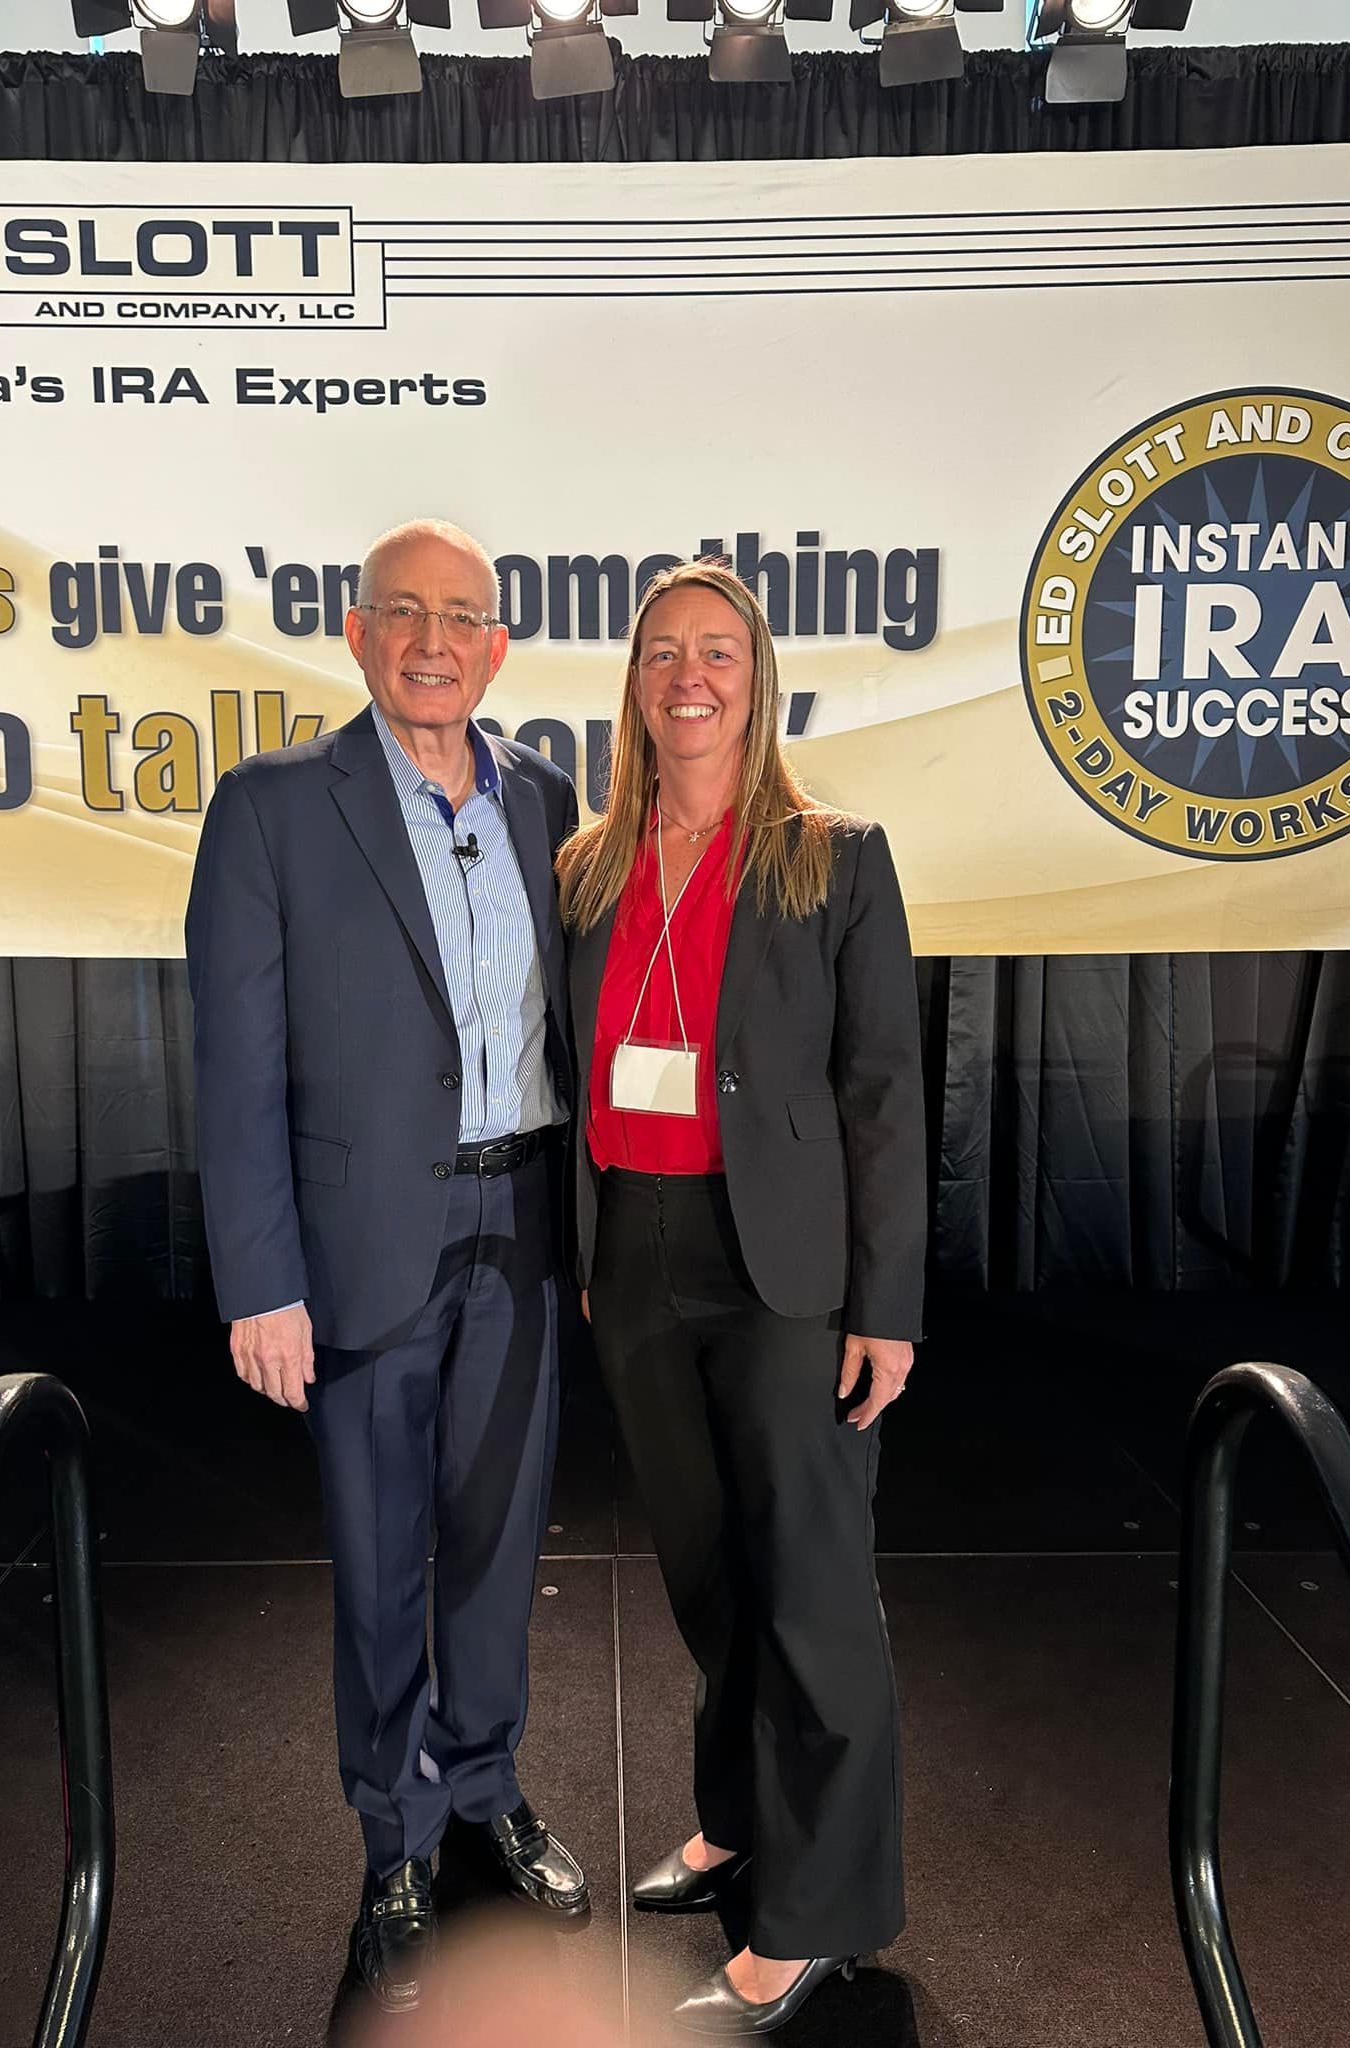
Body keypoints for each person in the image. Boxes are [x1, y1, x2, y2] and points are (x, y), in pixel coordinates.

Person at [186, 518, 589, 2018]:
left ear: (498, 649)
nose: (433, 640)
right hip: (359, 1248)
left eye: (463, 617)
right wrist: (256, 1279)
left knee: (497, 1539)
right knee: (378, 1559)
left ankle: (484, 1789)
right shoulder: (275, 807)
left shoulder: (548, 798)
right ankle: (394, 1840)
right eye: (403, 613)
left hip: (527, 1224)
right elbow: (236, 1067)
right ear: (355, 634)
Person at [557, 560, 927, 2036]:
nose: (687, 675)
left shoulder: (833, 854)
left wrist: (884, 1304)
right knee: (709, 1572)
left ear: (756, 678)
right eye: (663, 653)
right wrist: (590, 1253)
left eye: (717, 652)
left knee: (812, 1585)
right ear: (634, 683)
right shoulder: (590, 858)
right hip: (635, 1251)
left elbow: (883, 1092)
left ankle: (817, 1911)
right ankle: (737, 1813)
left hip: (784, 1263)